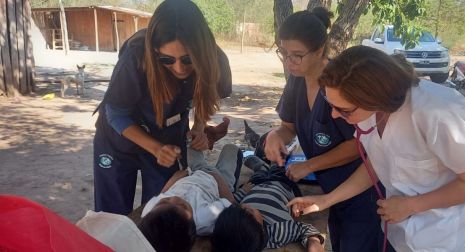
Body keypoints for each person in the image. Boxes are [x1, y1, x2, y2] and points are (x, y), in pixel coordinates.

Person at [288, 46, 465, 252]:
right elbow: (377, 162)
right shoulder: (368, 112)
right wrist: (326, 200)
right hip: (399, 230)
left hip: (441, 236)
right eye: (330, 104)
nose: (334, 115)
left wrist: (411, 205)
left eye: (343, 110)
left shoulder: (437, 114)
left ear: (375, 98)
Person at [93, 0, 232, 215]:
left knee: (163, 210)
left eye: (187, 59)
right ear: (155, 51)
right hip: (118, 140)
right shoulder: (136, 57)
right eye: (167, 59)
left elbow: (202, 98)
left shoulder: (216, 62)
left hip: (168, 141)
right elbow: (117, 113)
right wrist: (155, 147)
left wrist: (199, 129)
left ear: (202, 51)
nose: (179, 68)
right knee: (112, 214)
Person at [264, 8, 385, 252]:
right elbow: (289, 126)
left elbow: (358, 144)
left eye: (297, 55)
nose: (289, 62)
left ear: (320, 50)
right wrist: (275, 136)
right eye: (284, 53)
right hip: (330, 190)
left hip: (361, 190)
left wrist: (310, 166)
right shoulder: (296, 82)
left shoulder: (342, 85)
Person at [137, 143, 243, 251]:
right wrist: (217, 177)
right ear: (189, 215)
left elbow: (162, 193)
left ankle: (207, 139)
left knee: (192, 142)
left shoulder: (150, 213)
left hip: (193, 172)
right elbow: (230, 202)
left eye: (164, 201)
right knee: (231, 148)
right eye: (180, 205)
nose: (174, 198)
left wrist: (175, 178)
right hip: (219, 182)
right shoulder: (205, 218)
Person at [211, 155, 324, 252]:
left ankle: (261, 167)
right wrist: (313, 241)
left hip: (255, 185)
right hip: (282, 185)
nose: (245, 205)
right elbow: (304, 229)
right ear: (261, 229)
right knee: (281, 168)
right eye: (250, 211)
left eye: (238, 207)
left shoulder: (231, 220)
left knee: (259, 174)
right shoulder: (279, 231)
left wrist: (243, 191)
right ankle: (273, 162)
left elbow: (234, 201)